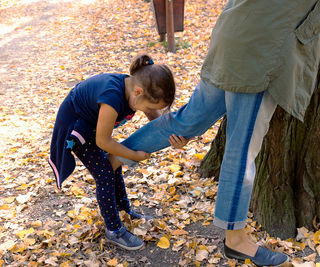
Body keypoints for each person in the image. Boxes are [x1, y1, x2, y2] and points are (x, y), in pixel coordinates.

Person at [109, 0, 320, 265]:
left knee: (187, 120)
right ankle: (236, 240)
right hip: (260, 54)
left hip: (231, 37)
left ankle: (113, 158)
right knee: (241, 151)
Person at [48, 54, 188, 250]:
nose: (148, 111)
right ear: (138, 92)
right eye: (148, 106)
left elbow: (154, 120)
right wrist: (133, 155)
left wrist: (172, 137)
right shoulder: (112, 97)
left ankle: (123, 210)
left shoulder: (135, 89)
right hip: (77, 126)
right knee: (105, 173)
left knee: (113, 167)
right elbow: (103, 141)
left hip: (94, 125)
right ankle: (114, 230)